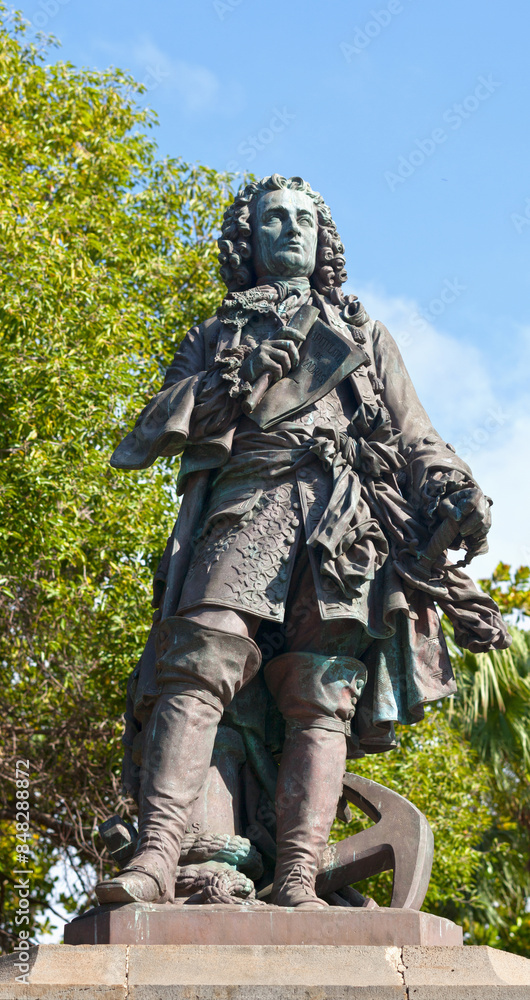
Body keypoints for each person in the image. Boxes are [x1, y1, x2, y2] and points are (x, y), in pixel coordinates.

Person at [96, 175, 509, 910]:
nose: (288, 230)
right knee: (200, 661)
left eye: (302, 220)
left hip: (343, 521)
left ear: (323, 241)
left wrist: (455, 488)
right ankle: (159, 853)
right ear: (247, 241)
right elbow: (152, 427)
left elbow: (416, 436)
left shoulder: (362, 332)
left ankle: (298, 877)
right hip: (248, 500)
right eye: (272, 220)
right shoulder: (217, 332)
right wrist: (232, 384)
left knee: (322, 694)